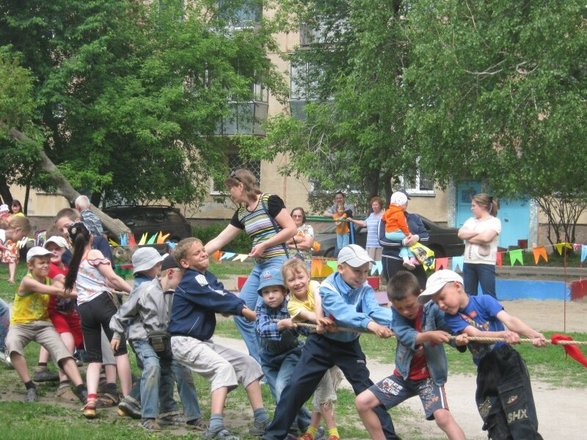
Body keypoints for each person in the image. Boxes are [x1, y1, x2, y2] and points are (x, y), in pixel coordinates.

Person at [263, 245, 400, 440]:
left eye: (365, 271)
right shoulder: (327, 288)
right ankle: (273, 436)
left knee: (367, 390)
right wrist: (371, 325)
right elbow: (344, 314)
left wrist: (402, 321)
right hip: (320, 343)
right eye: (356, 271)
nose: (362, 276)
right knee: (295, 388)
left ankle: (390, 438)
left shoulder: (365, 288)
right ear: (341, 268)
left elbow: (374, 311)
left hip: (348, 346)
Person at [418, 270, 546, 439]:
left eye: (442, 298)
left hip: (508, 364)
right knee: (496, 425)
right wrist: (502, 335)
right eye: (436, 302)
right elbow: (474, 334)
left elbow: (510, 321)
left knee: (521, 422)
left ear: (457, 286)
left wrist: (533, 334)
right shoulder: (451, 318)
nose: (440, 305)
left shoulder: (485, 301)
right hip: (486, 370)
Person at [169, 237, 270, 439]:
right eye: (197, 253)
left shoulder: (208, 277)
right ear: (185, 263)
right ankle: (215, 427)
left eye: (203, 250)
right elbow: (215, 298)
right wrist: (243, 311)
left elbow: (222, 293)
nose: (204, 253)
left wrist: (238, 306)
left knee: (248, 363)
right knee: (222, 368)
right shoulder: (191, 279)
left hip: (201, 343)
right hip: (184, 342)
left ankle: (261, 420)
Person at [355, 271, 466, 440]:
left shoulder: (434, 309)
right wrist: (429, 336)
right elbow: (405, 336)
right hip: (402, 378)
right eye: (400, 308)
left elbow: (450, 332)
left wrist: (459, 341)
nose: (406, 311)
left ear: (420, 295)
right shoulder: (397, 315)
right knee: (362, 402)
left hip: (429, 379)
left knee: (443, 417)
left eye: (410, 305)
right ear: (392, 304)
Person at [204, 169, 296, 364]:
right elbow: (220, 240)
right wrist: (195, 254)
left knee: (266, 314)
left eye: (231, 188)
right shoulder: (242, 213)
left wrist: (265, 244)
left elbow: (291, 229)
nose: (229, 193)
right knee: (241, 312)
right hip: (260, 266)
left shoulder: (269, 201)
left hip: (277, 263)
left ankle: (281, 357)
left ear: (241, 186)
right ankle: (261, 361)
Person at [110, 254, 205, 432]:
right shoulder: (144, 289)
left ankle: (192, 417)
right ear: (170, 273)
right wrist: (116, 334)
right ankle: (148, 417)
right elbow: (124, 312)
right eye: (181, 276)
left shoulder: (179, 293)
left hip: (166, 339)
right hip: (143, 338)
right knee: (153, 366)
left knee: (181, 368)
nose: (184, 280)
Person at [64, 222, 133, 418]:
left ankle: (91, 401)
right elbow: (113, 279)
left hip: (84, 308)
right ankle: (127, 400)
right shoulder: (94, 254)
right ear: (91, 238)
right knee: (120, 351)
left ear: (72, 242)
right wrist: (135, 292)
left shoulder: (75, 261)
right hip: (103, 303)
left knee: (94, 358)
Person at [5, 246, 87, 403]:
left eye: (48, 263)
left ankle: (81, 389)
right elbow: (57, 291)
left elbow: (64, 287)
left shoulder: (52, 280)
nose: (46, 266)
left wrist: (71, 285)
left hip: (43, 325)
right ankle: (30, 386)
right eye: (41, 263)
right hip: (21, 325)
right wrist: (87, 292)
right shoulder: (27, 281)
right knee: (12, 345)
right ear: (30, 265)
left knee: (63, 353)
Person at [282, 258, 341, 440]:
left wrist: (320, 318)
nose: (297, 282)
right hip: (317, 348)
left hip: (336, 344)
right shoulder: (291, 304)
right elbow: (309, 315)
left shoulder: (316, 285)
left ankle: (310, 432)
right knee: (324, 392)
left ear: (308, 276)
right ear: (286, 284)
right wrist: (319, 320)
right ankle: (333, 434)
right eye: (291, 280)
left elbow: (318, 299)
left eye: (301, 277)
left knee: (327, 391)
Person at [254, 267, 312, 438]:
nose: (270, 296)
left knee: (282, 388)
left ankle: (288, 429)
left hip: (291, 354)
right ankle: (307, 424)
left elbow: (306, 331)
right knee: (282, 395)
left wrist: (310, 324)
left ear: (285, 291)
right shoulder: (262, 309)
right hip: (268, 359)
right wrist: (282, 324)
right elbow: (262, 329)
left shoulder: (292, 307)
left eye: (274, 291)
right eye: (266, 292)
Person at [32, 235, 85, 401]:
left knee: (84, 338)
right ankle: (64, 384)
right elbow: (63, 285)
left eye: (58, 248)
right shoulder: (51, 269)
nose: (54, 251)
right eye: (50, 248)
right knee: (67, 343)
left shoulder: (66, 268)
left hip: (70, 313)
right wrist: (83, 291)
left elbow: (74, 281)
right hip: (55, 312)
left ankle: (102, 374)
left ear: (65, 250)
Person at [379, 191, 430, 288]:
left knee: (421, 288)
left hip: (415, 260)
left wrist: (416, 238)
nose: (406, 204)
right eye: (404, 201)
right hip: (392, 259)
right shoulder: (385, 218)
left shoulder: (414, 217)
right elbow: (382, 240)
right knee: (397, 293)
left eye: (407, 201)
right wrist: (402, 243)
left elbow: (425, 235)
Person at [458, 193, 501, 297]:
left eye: (473, 205)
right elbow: (460, 234)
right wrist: (478, 233)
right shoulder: (470, 221)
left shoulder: (494, 221)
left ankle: (492, 314)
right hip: (468, 263)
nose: (471, 208)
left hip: (485, 263)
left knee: (489, 295)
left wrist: (469, 237)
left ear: (483, 206)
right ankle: (472, 313)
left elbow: (486, 238)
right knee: (469, 295)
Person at [382, 191, 420, 270]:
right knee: (410, 240)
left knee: (404, 245)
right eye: (405, 204)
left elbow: (383, 218)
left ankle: (406, 260)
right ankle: (412, 258)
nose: (406, 205)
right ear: (401, 204)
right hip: (396, 232)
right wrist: (408, 234)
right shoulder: (399, 213)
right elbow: (403, 225)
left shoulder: (388, 211)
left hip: (388, 234)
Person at [349, 196, 384, 261]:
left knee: (377, 265)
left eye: (376, 205)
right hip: (369, 244)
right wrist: (352, 220)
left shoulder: (383, 215)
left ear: (380, 205)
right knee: (369, 264)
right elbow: (364, 223)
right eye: (373, 205)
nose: (374, 207)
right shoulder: (371, 215)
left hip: (378, 245)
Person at [1, 215, 32, 284]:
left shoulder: (4, 237)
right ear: (18, 230)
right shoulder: (2, 235)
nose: (21, 239)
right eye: (23, 236)